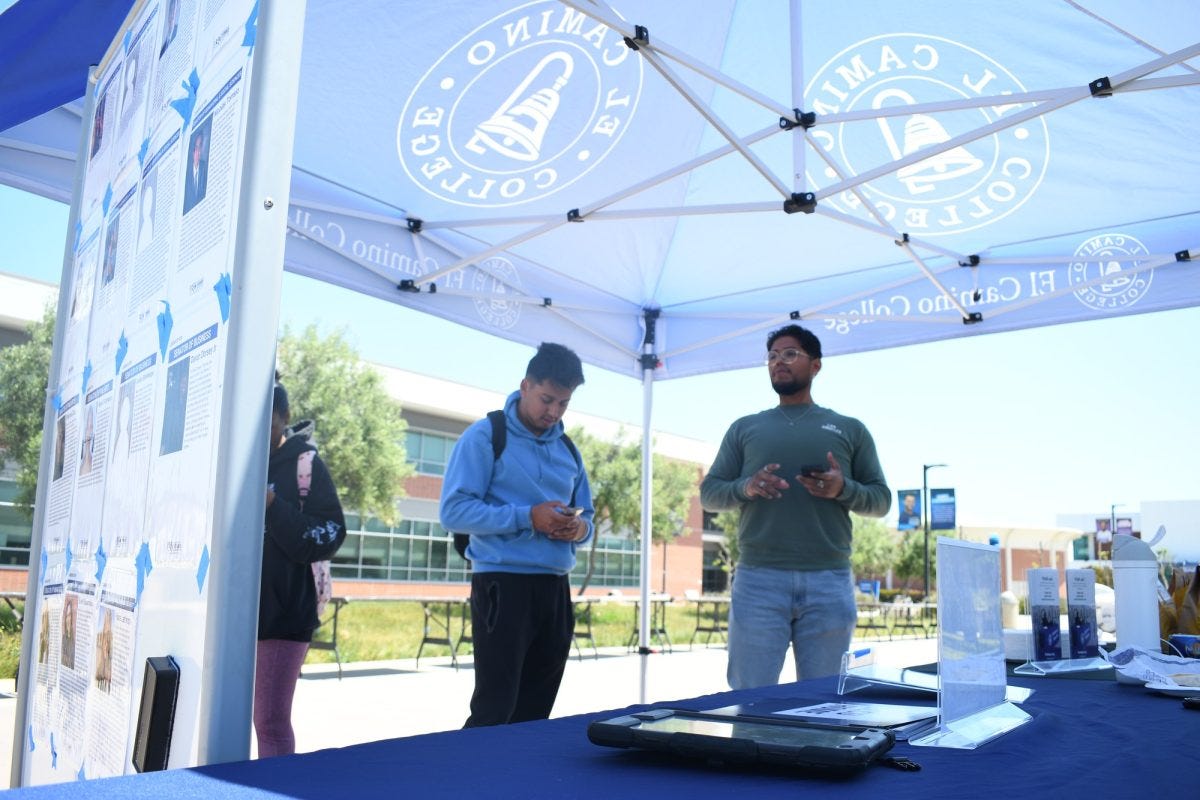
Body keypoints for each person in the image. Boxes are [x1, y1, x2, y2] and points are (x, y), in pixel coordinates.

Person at [700, 324, 891, 689]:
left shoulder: (850, 429)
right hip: (758, 580)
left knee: (823, 703)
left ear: (816, 365)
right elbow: (710, 493)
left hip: (828, 580)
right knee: (749, 700)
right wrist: (748, 486)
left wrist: (842, 488)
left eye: (789, 354)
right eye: (772, 356)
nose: (778, 362)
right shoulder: (745, 428)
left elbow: (881, 501)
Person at [440, 342, 594, 727]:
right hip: (502, 586)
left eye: (563, 403)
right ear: (525, 385)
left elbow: (587, 518)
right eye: (546, 399)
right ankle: (468, 786)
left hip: (556, 588)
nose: (553, 412)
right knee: (495, 709)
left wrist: (577, 527)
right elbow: (453, 512)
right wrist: (529, 518)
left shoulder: (568, 449)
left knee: (536, 713)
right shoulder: (485, 436)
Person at [256, 379, 346, 757]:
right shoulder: (222, 457)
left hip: (284, 613)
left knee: (271, 722)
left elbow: (330, 535)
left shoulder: (305, 465)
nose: (259, 435)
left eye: (269, 424)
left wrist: (273, 505)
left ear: (285, 418)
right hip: (224, 615)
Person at [183, 126, 208, 213]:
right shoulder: (186, 172)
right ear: (192, 150)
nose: (199, 151)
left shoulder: (205, 167)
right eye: (196, 148)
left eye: (200, 147)